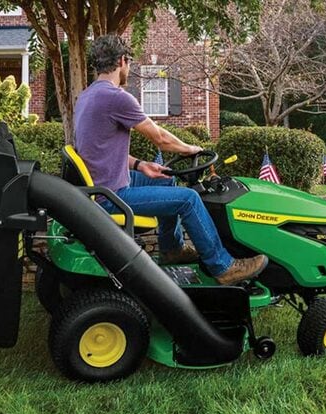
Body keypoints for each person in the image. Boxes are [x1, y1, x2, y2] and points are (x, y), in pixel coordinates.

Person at [73, 34, 268, 286]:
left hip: (100, 187)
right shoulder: (116, 96)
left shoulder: (87, 97)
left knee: (166, 181)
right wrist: (190, 149)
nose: (128, 69)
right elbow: (160, 138)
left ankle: (171, 248)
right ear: (122, 61)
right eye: (129, 62)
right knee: (189, 199)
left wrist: (140, 165)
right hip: (110, 197)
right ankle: (223, 267)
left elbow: (100, 149)